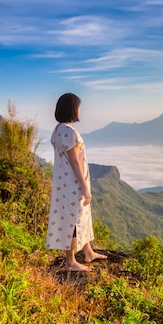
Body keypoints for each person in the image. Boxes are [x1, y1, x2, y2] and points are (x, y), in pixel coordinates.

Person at [46, 93, 107, 272]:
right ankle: (70, 261)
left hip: (63, 182)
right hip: (73, 183)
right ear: (72, 109)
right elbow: (74, 161)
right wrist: (84, 186)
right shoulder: (70, 132)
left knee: (82, 216)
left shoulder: (58, 129)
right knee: (74, 220)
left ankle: (88, 251)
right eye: (78, 106)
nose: (80, 109)